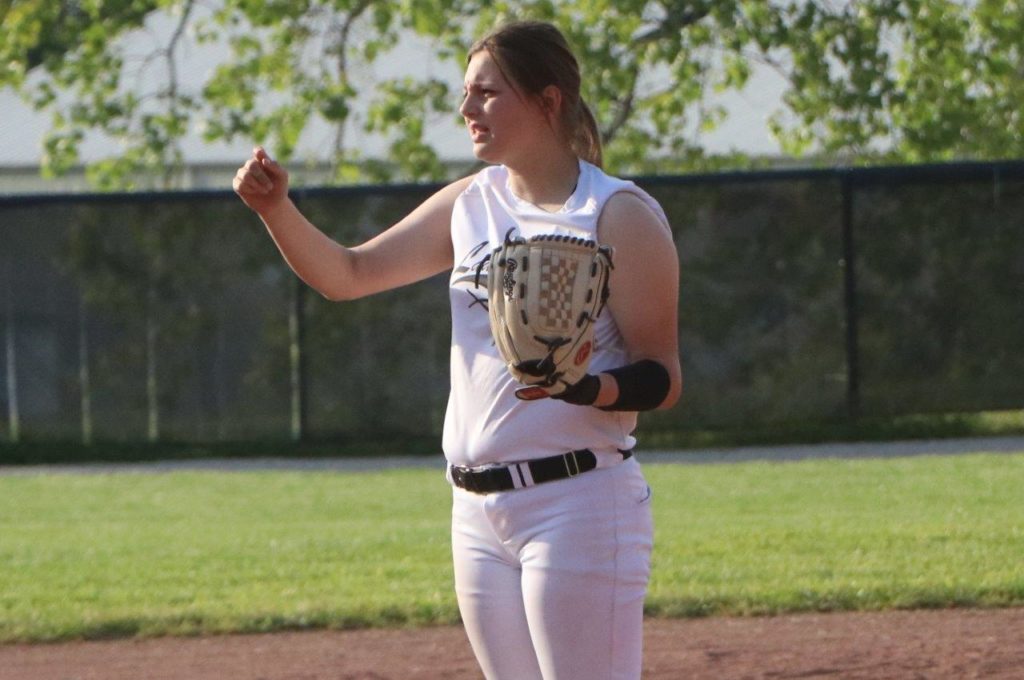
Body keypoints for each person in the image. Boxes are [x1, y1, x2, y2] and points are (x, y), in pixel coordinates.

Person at [233, 19, 681, 680]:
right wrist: (276, 210)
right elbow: (348, 275)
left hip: (577, 502)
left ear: (548, 101)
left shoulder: (615, 213)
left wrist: (585, 387)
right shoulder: (472, 203)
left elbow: (663, 376)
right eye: (467, 91)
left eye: (487, 92)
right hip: (475, 511)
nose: (467, 108)